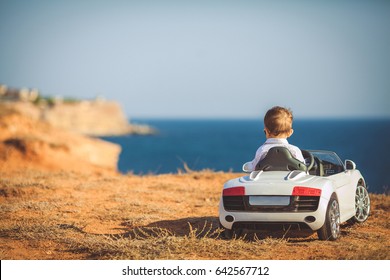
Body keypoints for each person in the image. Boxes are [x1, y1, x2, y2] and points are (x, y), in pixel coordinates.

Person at [247, 106, 305, 171]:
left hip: (266, 181)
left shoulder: (262, 150)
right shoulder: (294, 150)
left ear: (266, 131)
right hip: (289, 181)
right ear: (290, 132)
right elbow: (304, 171)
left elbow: (254, 170)